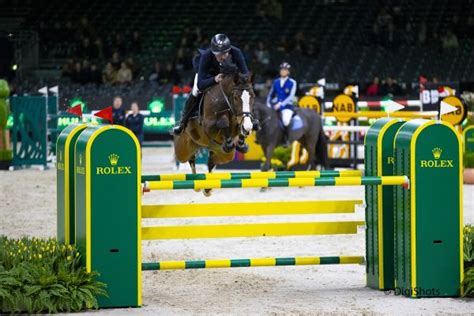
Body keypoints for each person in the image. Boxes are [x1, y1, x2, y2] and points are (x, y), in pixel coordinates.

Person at [172, 33, 249, 135]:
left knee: (245, 92)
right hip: (208, 75)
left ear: (229, 50)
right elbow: (200, 84)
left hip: (228, 75)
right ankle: (182, 122)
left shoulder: (236, 52)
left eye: (224, 53)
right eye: (218, 54)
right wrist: (214, 79)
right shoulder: (206, 56)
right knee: (195, 91)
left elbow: (245, 74)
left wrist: (237, 79)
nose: (221, 57)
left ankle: (250, 118)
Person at [266, 62, 297, 146]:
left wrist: (281, 104)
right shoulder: (276, 82)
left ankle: (286, 139)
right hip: (275, 105)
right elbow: (270, 94)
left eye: (285, 70)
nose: (283, 71)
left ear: (288, 72)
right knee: (266, 118)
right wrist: (268, 104)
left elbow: (291, 96)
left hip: (287, 106)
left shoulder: (292, 82)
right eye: (282, 69)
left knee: (286, 121)